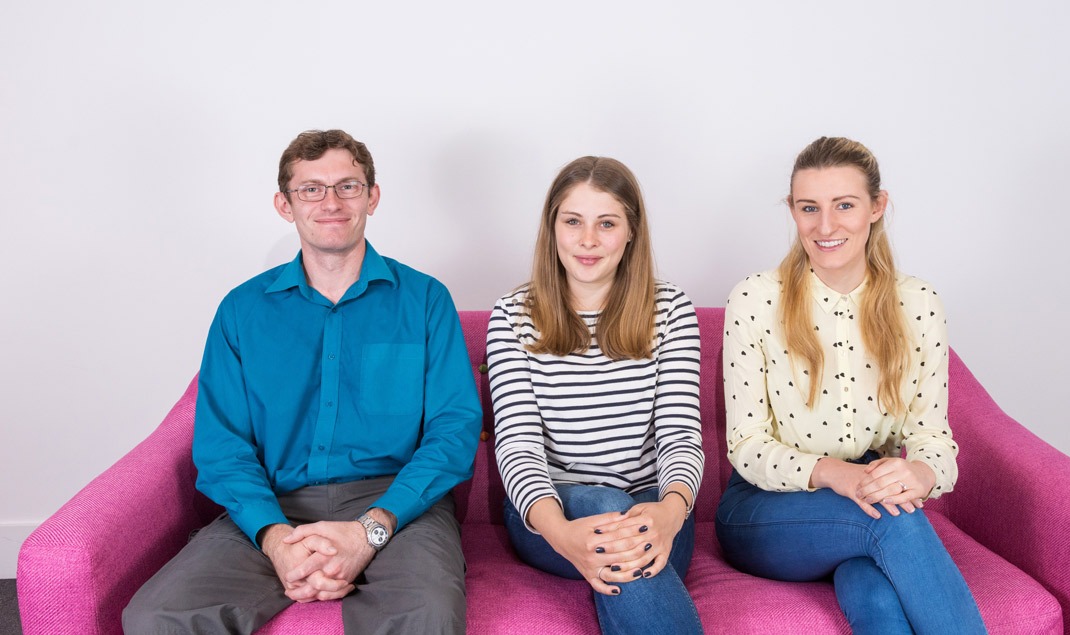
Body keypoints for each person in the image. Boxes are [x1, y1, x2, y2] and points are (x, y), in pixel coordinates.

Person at [123, 129, 483, 634]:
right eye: (311, 189)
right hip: (275, 502)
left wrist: (370, 531)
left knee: (427, 616)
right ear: (285, 204)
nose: (331, 202)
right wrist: (275, 540)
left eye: (348, 187)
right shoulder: (241, 311)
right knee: (155, 618)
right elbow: (222, 444)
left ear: (372, 197)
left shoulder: (424, 300)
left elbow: (454, 429)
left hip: (398, 505)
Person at [715, 137, 986, 634]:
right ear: (793, 212)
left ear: (877, 207)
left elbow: (932, 436)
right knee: (892, 521)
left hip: (865, 500)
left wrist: (924, 474)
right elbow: (747, 446)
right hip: (763, 508)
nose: (825, 226)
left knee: (876, 596)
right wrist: (837, 474)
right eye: (808, 208)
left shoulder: (918, 304)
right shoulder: (755, 299)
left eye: (844, 205)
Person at [485, 157, 705, 634]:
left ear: (631, 232)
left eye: (606, 223)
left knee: (621, 523)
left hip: (656, 510)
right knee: (603, 505)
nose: (588, 240)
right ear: (553, 228)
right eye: (573, 221)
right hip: (550, 515)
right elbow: (518, 445)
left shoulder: (671, 309)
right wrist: (563, 534)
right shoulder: (511, 316)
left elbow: (680, 434)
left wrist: (670, 512)